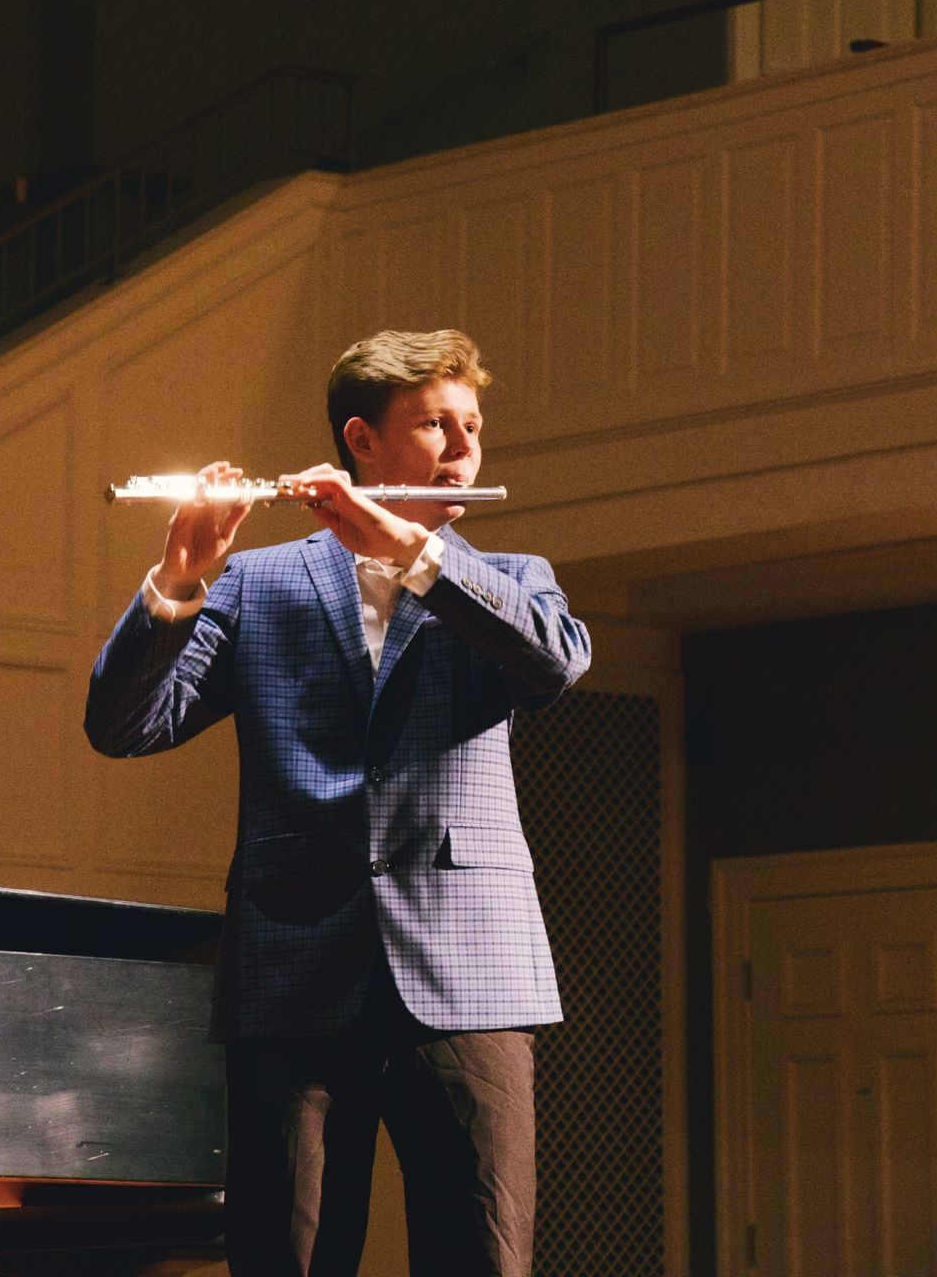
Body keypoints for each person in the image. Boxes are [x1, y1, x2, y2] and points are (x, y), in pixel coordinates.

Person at [85, 328, 591, 1277]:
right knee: (287, 1254)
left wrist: (414, 553)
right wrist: (178, 583)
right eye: (435, 425)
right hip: (294, 966)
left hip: (469, 971)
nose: (464, 447)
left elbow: (552, 664)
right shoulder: (258, 582)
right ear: (362, 440)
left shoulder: (512, 580)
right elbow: (124, 726)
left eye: (472, 425)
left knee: (481, 1254)